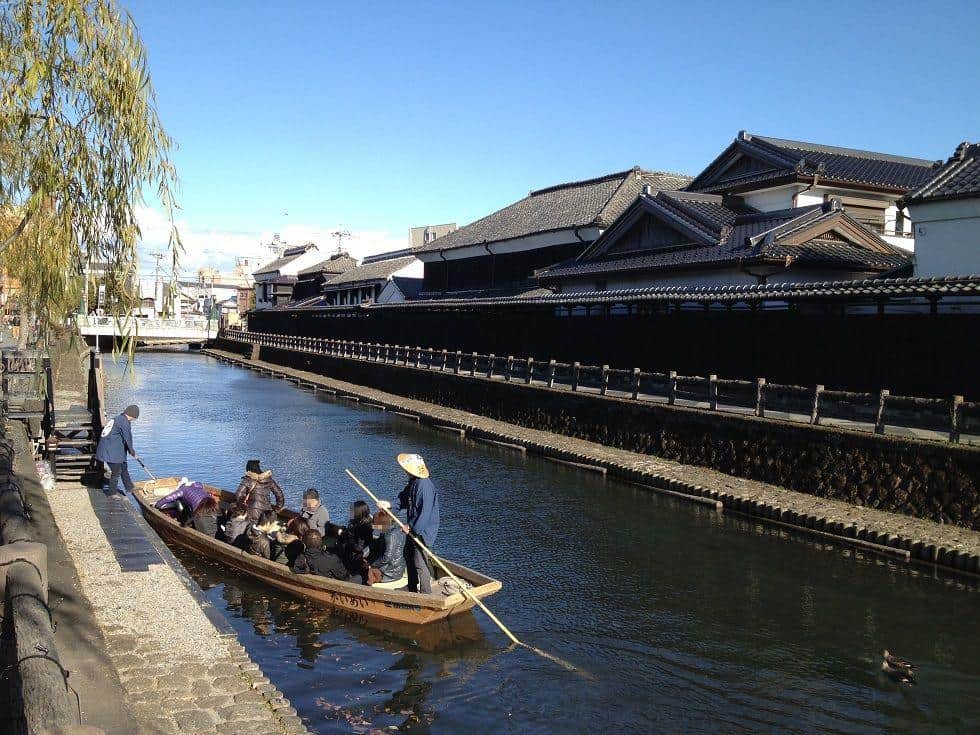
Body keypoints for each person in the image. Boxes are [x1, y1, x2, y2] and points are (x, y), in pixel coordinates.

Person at [396, 453, 439, 594]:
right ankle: (412, 586)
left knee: (420, 562)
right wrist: (388, 505)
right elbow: (402, 500)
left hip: (423, 531)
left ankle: (426, 593)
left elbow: (425, 513)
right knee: (408, 554)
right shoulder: (413, 482)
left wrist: (411, 527)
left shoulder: (424, 486)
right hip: (413, 528)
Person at [95, 404, 140, 496]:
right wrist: (132, 452)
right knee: (116, 472)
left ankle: (129, 487)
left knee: (123, 467)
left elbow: (124, 438)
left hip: (113, 449)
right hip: (111, 451)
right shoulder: (124, 422)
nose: (134, 420)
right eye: (135, 418)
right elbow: (128, 438)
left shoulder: (119, 418)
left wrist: (130, 451)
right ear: (133, 415)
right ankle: (112, 493)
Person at [153, 480, 218, 532]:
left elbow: (169, 498)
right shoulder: (202, 490)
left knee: (178, 502)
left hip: (198, 511)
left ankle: (186, 523)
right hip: (210, 510)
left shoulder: (184, 489)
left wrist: (157, 505)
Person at [369, 503, 407, 586]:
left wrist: (372, 564)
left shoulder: (390, 535)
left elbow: (387, 557)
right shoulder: (394, 529)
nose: (375, 526)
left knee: (365, 572)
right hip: (395, 567)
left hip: (391, 572)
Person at [342, 501, 376, 585]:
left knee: (343, 547)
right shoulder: (369, 522)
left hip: (362, 555)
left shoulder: (363, 527)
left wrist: (348, 537)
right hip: (365, 552)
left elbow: (358, 547)